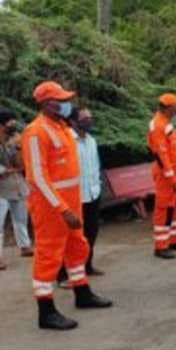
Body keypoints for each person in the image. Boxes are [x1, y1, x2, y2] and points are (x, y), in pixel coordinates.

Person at [22, 81, 112, 331]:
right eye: (60, 100)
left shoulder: (62, 127)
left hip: (72, 203)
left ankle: (82, 293)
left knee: (77, 247)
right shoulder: (35, 132)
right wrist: (62, 209)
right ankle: (46, 311)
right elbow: (37, 177)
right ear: (46, 104)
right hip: (52, 208)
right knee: (48, 255)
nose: (65, 104)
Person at [148, 93, 176, 260]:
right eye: (175, 106)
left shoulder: (167, 123)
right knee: (164, 208)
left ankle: (175, 240)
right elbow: (161, 155)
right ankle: (161, 246)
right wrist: (171, 178)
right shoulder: (157, 125)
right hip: (166, 176)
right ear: (167, 107)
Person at [72, 108, 104, 276]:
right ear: (73, 121)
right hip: (75, 196)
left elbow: (95, 165)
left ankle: (87, 265)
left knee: (91, 232)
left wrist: (97, 186)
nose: (89, 121)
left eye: (90, 118)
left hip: (92, 193)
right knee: (73, 236)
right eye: (84, 118)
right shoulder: (69, 141)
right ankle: (64, 273)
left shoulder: (91, 140)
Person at [0, 109, 32, 270]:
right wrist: (6, 170)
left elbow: (21, 164)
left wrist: (19, 147)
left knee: (21, 218)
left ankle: (25, 246)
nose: (13, 125)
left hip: (16, 184)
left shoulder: (13, 139)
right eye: (10, 122)